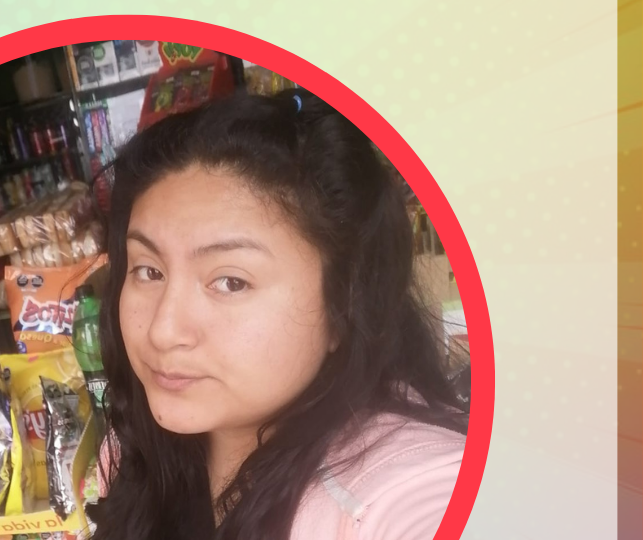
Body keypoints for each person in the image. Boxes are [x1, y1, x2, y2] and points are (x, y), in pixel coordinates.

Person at [84, 88, 469, 540]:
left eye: (231, 282)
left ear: (343, 304)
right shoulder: (130, 451)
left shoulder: (391, 494)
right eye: (149, 271)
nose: (163, 331)